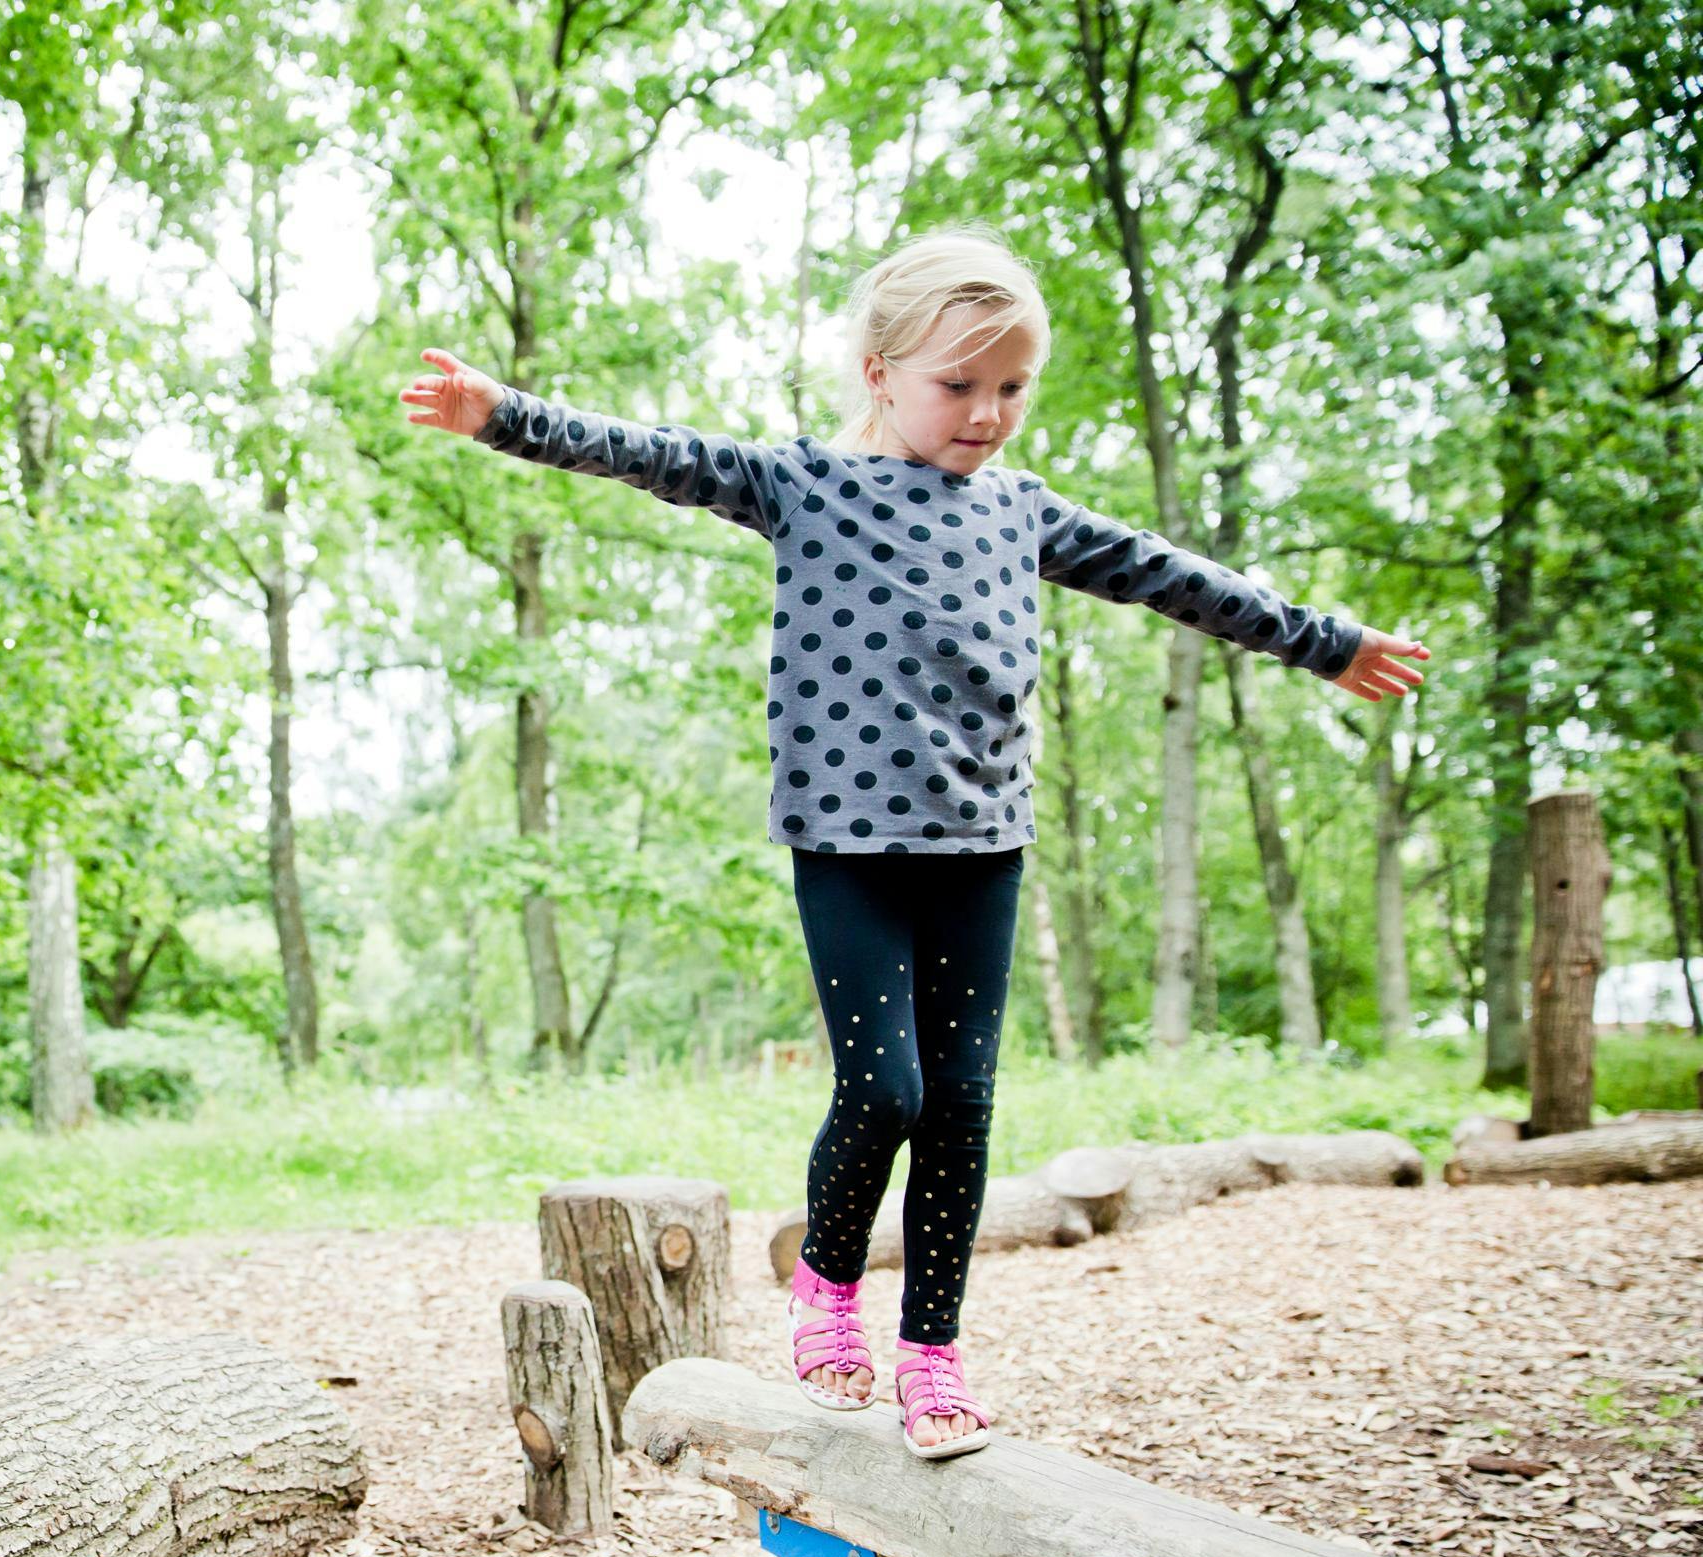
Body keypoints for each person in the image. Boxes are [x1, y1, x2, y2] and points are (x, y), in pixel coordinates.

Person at [397, 227, 1429, 1460]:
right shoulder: (801, 484)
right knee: (886, 1088)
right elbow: (649, 455)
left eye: (1011, 389)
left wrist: (1321, 641)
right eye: (961, 385)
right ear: (882, 371)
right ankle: (828, 1282)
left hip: (982, 842)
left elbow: (1175, 578)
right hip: (846, 841)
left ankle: (931, 1355)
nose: (988, 414)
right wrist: (497, 412)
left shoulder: (1022, 512)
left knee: (965, 1109)